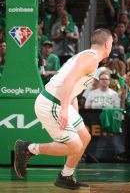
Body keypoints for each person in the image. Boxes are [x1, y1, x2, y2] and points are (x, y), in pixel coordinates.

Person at [13, 28, 113, 190]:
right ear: (107, 44)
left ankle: (65, 176)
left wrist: (74, 113)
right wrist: (65, 110)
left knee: (84, 137)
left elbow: (73, 89)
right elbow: (69, 80)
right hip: (52, 103)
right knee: (75, 146)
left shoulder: (87, 56)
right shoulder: (90, 58)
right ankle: (29, 148)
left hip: (61, 101)